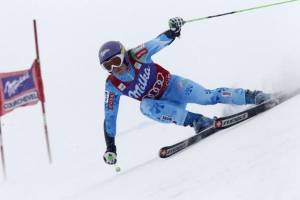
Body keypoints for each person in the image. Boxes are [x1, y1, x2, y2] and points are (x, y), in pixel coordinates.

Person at [99, 17, 271, 165]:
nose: (114, 67)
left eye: (116, 61)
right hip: (164, 106)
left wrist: (173, 31)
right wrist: (110, 147)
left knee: (207, 97)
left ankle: (253, 96)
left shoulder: (137, 54)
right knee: (145, 106)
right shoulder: (112, 85)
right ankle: (198, 121)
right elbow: (110, 116)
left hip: (174, 87)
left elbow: (158, 42)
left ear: (123, 55)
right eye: (108, 66)